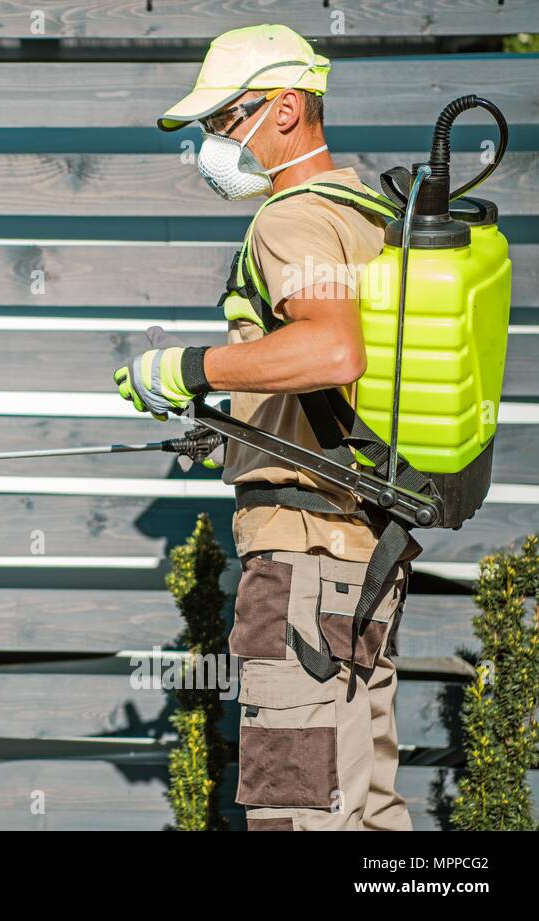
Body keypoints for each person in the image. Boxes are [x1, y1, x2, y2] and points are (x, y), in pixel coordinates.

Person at [114, 24, 416, 831]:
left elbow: (331, 347)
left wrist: (190, 368)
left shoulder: (293, 218)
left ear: (286, 108)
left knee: (297, 807)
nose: (213, 144)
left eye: (223, 121)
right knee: (365, 806)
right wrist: (247, 417)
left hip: (306, 561)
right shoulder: (370, 212)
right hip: (364, 551)